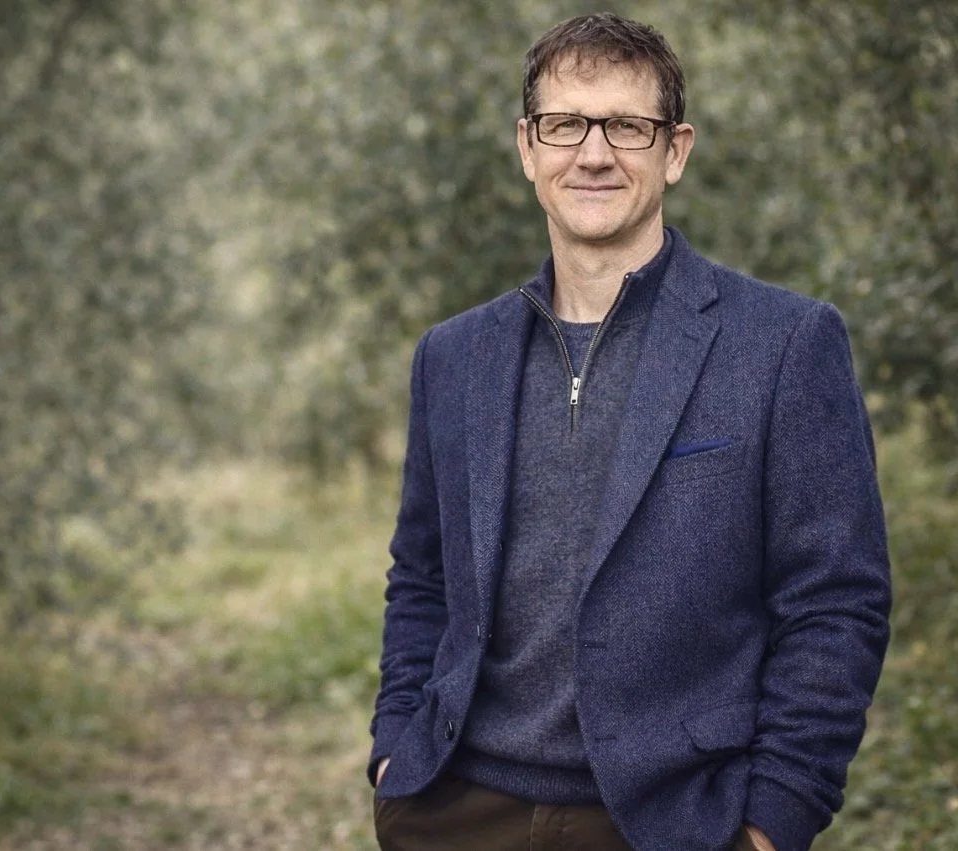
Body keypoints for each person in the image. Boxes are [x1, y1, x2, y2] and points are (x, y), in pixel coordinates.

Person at [367, 12, 891, 851]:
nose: (595, 152)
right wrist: (397, 749)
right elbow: (422, 576)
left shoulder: (785, 343)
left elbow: (836, 602)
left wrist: (772, 818)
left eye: (628, 126)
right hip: (457, 811)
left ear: (674, 151)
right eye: (565, 123)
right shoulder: (454, 357)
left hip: (674, 820)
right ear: (527, 147)